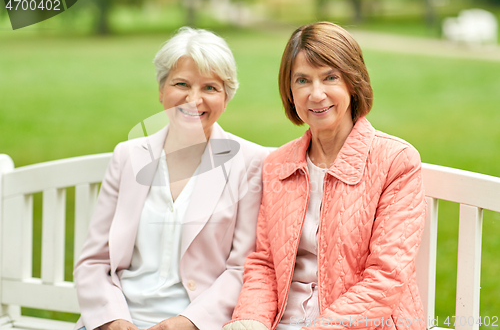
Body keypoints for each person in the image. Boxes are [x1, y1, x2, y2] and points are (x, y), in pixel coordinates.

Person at [223, 22, 426, 330]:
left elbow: (387, 276)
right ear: (290, 92)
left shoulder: (396, 161)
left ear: (352, 82)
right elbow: (265, 264)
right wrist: (248, 320)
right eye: (302, 80)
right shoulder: (278, 164)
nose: (316, 94)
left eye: (330, 77)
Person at [73, 27, 268, 330]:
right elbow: (94, 261)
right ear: (162, 90)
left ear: (226, 98)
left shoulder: (250, 163)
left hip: (197, 323)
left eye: (210, 88)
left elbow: (244, 267)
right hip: (117, 320)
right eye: (182, 84)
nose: (194, 99)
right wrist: (114, 321)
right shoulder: (128, 156)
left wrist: (185, 322)